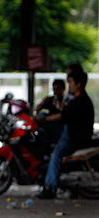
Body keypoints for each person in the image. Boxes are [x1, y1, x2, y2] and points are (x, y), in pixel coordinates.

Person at [37, 69, 95, 199]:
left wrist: (44, 119)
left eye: (71, 83)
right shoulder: (75, 99)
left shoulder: (80, 101)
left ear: (78, 84)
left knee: (56, 155)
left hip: (74, 136)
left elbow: (63, 116)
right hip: (71, 133)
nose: (70, 86)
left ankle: (50, 187)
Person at [34, 79, 65, 144]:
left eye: (58, 89)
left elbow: (62, 115)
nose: (56, 91)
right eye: (54, 89)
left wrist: (45, 119)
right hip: (48, 126)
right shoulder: (50, 99)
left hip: (60, 127)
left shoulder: (66, 101)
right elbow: (36, 108)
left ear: (63, 89)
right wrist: (43, 101)